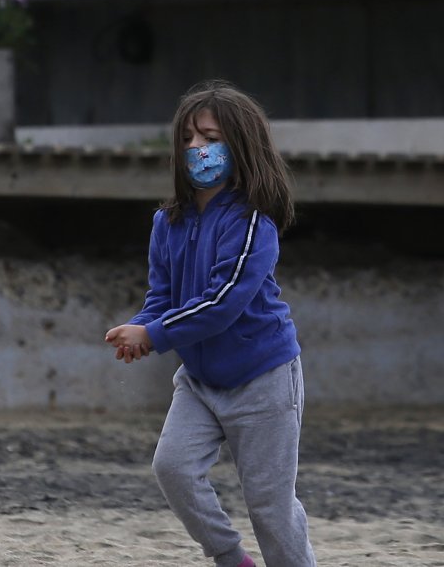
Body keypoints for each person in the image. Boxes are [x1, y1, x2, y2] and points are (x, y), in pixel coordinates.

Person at [104, 80, 316, 567]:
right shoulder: (167, 221)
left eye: (209, 137)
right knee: (173, 468)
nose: (196, 148)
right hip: (199, 382)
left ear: (240, 146)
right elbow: (161, 297)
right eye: (187, 139)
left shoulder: (252, 223)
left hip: (264, 379)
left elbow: (222, 302)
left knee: (270, 506)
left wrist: (154, 335)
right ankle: (230, 558)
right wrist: (139, 329)